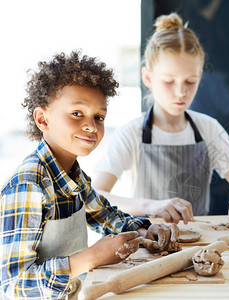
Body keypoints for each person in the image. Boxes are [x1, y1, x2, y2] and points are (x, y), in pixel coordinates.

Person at [0, 50, 175, 299]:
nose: (91, 126)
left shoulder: (73, 173)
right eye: (77, 113)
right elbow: (13, 285)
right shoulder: (29, 186)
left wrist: (143, 231)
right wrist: (93, 257)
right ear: (42, 119)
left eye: (99, 117)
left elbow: (104, 214)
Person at [93, 13, 229, 224]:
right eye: (169, 82)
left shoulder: (208, 128)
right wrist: (152, 206)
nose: (180, 92)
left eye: (190, 82)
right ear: (148, 77)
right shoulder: (132, 132)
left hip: (200, 245)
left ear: (200, 77)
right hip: (145, 245)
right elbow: (96, 197)